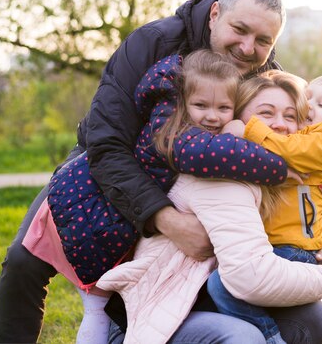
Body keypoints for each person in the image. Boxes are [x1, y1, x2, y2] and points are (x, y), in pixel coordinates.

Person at [0, 0, 322, 343]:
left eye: (262, 41)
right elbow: (106, 143)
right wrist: (163, 218)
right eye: (239, 30)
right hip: (112, 161)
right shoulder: (154, 43)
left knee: (298, 261)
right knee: (23, 260)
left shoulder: (263, 72)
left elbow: (296, 156)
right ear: (215, 14)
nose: (247, 47)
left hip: (209, 177)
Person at [23, 49, 287, 343]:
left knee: (100, 307)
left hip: (90, 209)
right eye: (201, 105)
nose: (212, 117)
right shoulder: (175, 134)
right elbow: (210, 153)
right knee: (97, 308)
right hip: (93, 220)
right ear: (183, 104)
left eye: (223, 108)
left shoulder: (174, 119)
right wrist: (280, 166)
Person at [95, 69, 322, 344]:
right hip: (162, 314)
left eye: (291, 117)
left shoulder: (274, 174)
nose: (280, 125)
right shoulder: (221, 171)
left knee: (313, 317)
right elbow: (248, 277)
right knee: (244, 336)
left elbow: (300, 228)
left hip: (207, 298)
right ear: (237, 118)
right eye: (266, 113)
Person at [206, 73, 322, 343]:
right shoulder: (301, 135)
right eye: (308, 97)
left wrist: (247, 129)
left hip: (291, 250)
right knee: (226, 286)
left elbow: (289, 150)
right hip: (278, 247)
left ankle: (271, 337)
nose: (310, 106)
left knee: (224, 284)